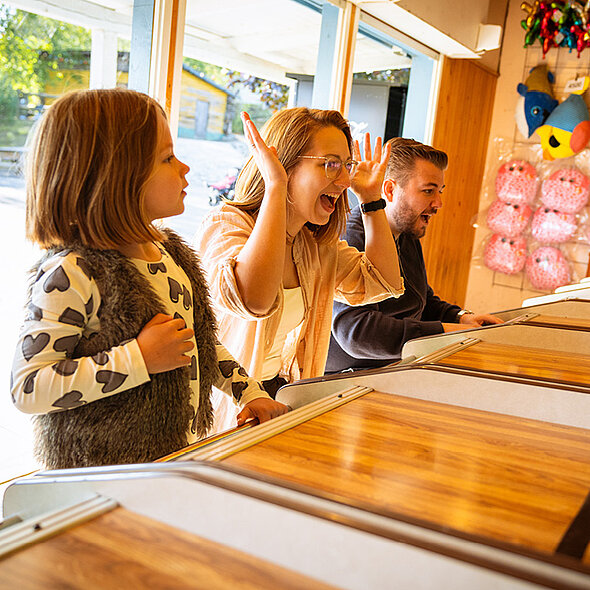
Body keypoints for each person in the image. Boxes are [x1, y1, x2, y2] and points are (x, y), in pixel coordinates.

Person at [10, 88, 286, 470]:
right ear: (116, 175)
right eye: (167, 158)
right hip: (100, 480)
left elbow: (196, 343)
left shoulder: (170, 253)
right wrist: (138, 358)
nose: (184, 168)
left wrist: (248, 392)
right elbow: (29, 387)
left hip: (171, 462)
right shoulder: (73, 272)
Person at [196, 108, 405, 400]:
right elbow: (253, 301)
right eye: (331, 164)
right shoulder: (226, 224)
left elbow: (381, 283)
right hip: (229, 407)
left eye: (347, 164)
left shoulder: (314, 245)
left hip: (278, 397)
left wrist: (371, 200)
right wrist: (275, 187)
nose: (346, 180)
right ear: (284, 164)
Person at [326, 137, 503, 373]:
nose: (438, 203)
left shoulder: (407, 233)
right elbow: (357, 333)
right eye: (428, 191)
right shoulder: (351, 236)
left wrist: (459, 318)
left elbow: (420, 301)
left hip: (396, 369)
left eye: (439, 191)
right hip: (342, 382)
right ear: (389, 190)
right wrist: (442, 333)